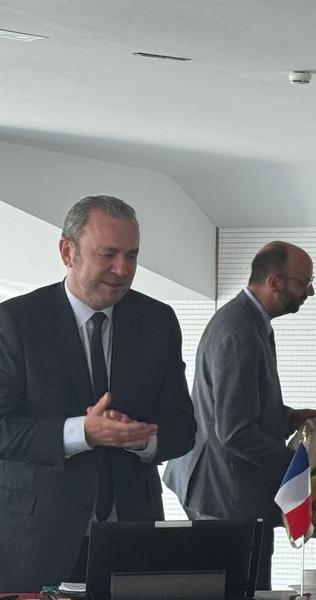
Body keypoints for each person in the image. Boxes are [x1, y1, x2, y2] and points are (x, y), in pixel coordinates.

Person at [0, 195, 196, 591]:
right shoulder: (15, 321)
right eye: (107, 254)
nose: (122, 270)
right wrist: (82, 432)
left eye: (131, 256)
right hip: (36, 540)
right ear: (67, 252)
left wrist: (143, 439)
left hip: (133, 537)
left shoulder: (157, 321)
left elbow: (184, 427)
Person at [164, 241, 316, 590]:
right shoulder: (239, 331)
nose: (310, 292)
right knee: (244, 588)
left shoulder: (248, 321)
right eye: (304, 282)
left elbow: (240, 404)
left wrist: (287, 417)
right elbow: (235, 432)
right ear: (274, 282)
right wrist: (298, 466)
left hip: (226, 489)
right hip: (224, 495)